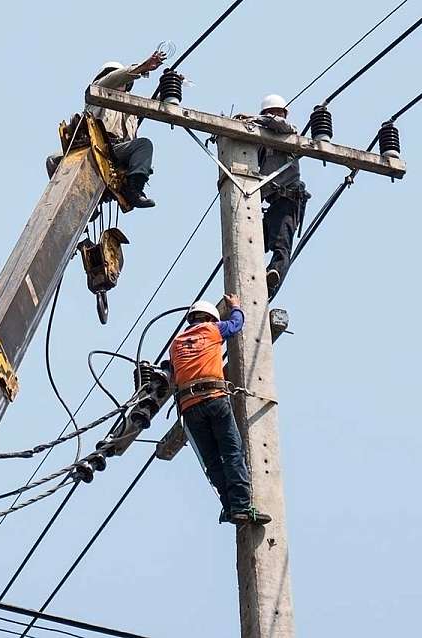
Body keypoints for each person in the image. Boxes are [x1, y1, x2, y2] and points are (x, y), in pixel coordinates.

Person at [168, 295, 272, 526]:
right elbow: (236, 324)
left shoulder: (175, 344)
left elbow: (173, 373)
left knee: (213, 461)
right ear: (210, 318)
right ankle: (242, 506)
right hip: (214, 399)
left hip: (189, 407)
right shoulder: (212, 329)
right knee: (233, 452)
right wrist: (235, 305)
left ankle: (230, 507)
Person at [47, 51, 168, 208]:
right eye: (112, 75)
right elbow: (115, 77)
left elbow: (154, 106)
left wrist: (170, 86)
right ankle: (75, 200)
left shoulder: (130, 107)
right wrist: (143, 67)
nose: (117, 80)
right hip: (95, 146)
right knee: (54, 160)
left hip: (117, 153)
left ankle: (134, 190)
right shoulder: (98, 91)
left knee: (144, 145)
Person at [236, 94, 312, 297]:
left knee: (282, 246)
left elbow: (280, 125)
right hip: (272, 203)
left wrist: (254, 119)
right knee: (250, 242)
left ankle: (273, 277)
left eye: (277, 112)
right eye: (270, 112)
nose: (274, 115)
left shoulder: (288, 132)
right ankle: (251, 279)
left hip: (289, 201)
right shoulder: (262, 143)